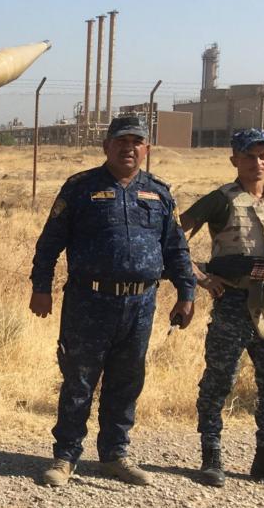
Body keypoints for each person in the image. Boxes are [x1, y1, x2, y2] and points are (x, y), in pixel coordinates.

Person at [29, 115, 196, 487]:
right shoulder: (79, 188)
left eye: (137, 142)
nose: (129, 148)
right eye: (121, 141)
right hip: (89, 301)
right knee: (79, 380)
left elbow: (176, 249)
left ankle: (115, 455)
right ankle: (65, 457)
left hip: (140, 305)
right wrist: (40, 286)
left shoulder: (159, 193)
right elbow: (50, 242)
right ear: (106, 146)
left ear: (146, 149)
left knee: (127, 380)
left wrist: (187, 292)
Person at [180, 128, 264, 490]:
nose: (258, 162)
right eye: (250, 155)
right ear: (234, 159)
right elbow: (173, 238)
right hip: (235, 303)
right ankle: (211, 455)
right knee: (219, 381)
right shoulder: (220, 201)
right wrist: (201, 279)